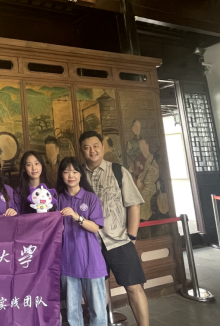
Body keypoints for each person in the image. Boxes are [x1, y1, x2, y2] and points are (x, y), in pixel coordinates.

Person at [79, 131, 149, 326]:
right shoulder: (78, 175)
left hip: (119, 240)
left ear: (102, 147)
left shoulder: (118, 171)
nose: (92, 150)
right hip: (91, 243)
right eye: (86, 147)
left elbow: (133, 204)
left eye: (95, 145)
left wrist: (132, 237)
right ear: (82, 151)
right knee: (99, 291)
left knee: (134, 287)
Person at [57, 157, 107, 327]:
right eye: (66, 172)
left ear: (80, 175)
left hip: (91, 259)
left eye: (74, 171)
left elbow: (95, 227)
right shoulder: (58, 199)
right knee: (72, 311)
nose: (70, 175)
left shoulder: (91, 198)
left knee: (98, 309)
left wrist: (77, 217)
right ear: (61, 175)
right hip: (67, 260)